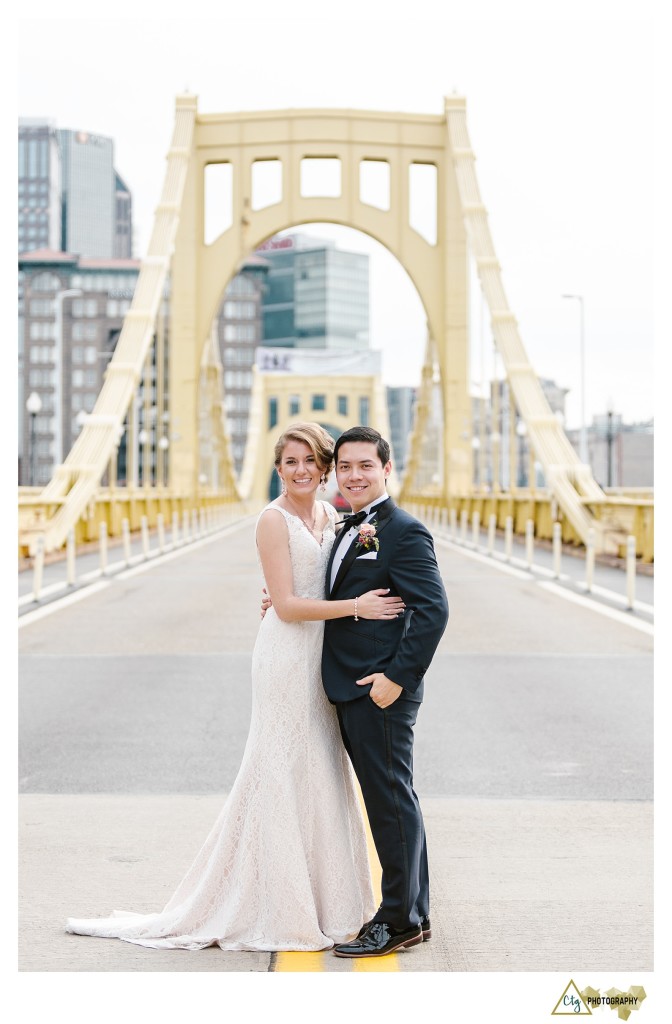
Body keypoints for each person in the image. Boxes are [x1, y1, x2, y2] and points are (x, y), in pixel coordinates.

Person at [65, 422, 407, 952]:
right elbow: (290, 607)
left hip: (324, 659)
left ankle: (326, 903)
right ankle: (274, 905)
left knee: (318, 772)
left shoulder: (333, 517)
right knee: (277, 768)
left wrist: (322, 601)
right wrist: (353, 608)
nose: (301, 471)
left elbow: (324, 580)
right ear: (277, 469)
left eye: (311, 462)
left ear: (324, 468)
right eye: (289, 462)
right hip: (286, 659)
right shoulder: (272, 521)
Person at [264, 425, 449, 958]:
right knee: (392, 798)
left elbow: (433, 610)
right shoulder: (349, 525)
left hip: (378, 687)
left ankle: (397, 920)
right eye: (344, 467)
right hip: (349, 683)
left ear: (386, 469)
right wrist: (280, 597)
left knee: (390, 800)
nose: (354, 475)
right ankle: (415, 912)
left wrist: (396, 679)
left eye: (365, 465)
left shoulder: (402, 531)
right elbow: (324, 588)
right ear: (335, 473)